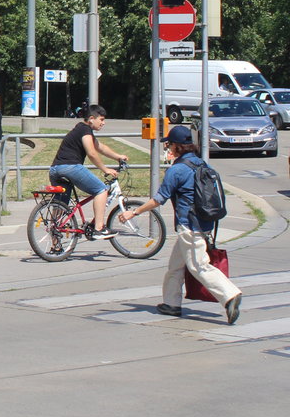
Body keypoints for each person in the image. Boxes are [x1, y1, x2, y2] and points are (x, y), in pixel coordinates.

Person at [118, 124, 242, 324]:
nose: (167, 148)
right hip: (204, 223)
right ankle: (171, 304)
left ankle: (230, 295)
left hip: (189, 225)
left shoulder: (177, 170)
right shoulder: (201, 164)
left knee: (198, 266)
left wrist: (134, 212)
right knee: (176, 266)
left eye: (169, 144)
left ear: (176, 146)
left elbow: (159, 199)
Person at [48, 104, 129, 239]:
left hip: (55, 169)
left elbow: (99, 147)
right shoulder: (85, 130)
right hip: (71, 167)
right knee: (101, 190)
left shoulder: (81, 130)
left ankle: (55, 247)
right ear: (91, 118)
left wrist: (118, 156)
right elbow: (91, 153)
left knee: (61, 207)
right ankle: (99, 228)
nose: (104, 123)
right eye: (101, 119)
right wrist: (105, 169)